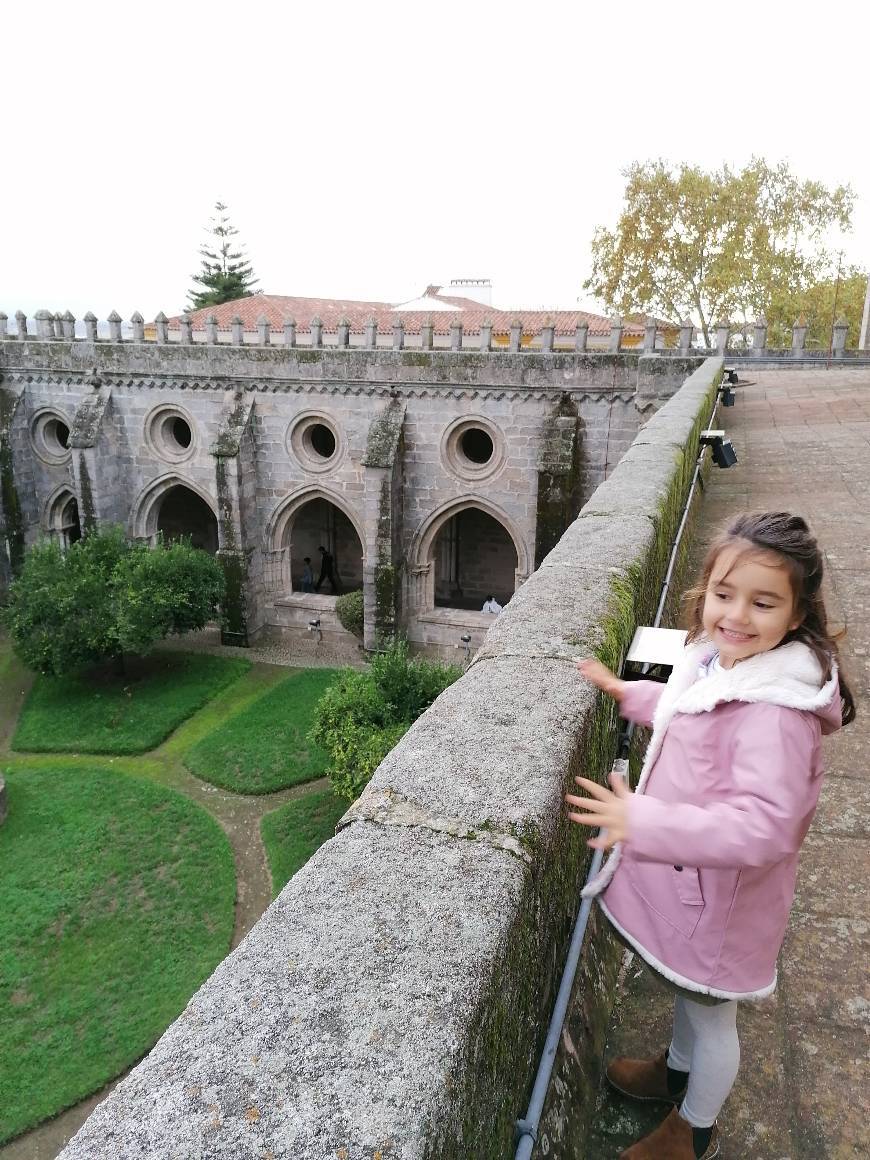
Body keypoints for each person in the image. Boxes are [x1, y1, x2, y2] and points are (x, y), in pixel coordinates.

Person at [567, 512, 855, 1160]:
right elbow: (688, 705)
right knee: (687, 990)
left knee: (711, 1013)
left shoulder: (776, 713)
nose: (737, 615)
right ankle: (675, 1072)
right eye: (726, 595)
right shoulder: (725, 661)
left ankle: (693, 1129)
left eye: (763, 602)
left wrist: (641, 821)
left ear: (797, 611)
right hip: (696, 887)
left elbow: (765, 826)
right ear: (706, 589)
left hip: (723, 904)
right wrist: (629, 694)